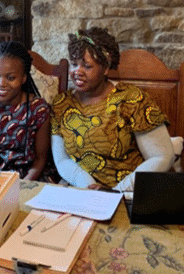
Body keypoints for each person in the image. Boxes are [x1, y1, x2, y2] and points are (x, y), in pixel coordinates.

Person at [51, 27, 175, 192]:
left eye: (87, 66)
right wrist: (89, 187)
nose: (77, 72)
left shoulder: (131, 99)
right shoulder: (61, 103)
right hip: (81, 189)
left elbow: (162, 157)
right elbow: (62, 160)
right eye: (74, 64)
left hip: (128, 191)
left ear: (106, 68)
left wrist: (117, 191)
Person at [0, 41, 53, 181]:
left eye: (10, 78)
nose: (1, 84)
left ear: (23, 78)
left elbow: (40, 160)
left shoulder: (38, 110)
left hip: (31, 178)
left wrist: (21, 186)